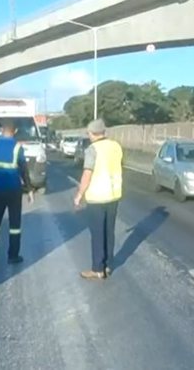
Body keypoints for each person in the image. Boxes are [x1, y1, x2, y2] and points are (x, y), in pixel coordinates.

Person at [74, 119, 123, 280]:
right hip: (114, 196)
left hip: (97, 197)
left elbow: (87, 174)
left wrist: (80, 194)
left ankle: (97, 269)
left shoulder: (92, 149)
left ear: (91, 133)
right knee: (109, 232)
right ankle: (108, 265)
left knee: (97, 234)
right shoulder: (116, 146)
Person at [0, 120, 34, 264]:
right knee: (14, 224)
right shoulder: (17, 148)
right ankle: (13, 255)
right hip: (14, 190)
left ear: (1, 130)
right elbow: (23, 169)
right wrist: (29, 190)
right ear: (14, 131)